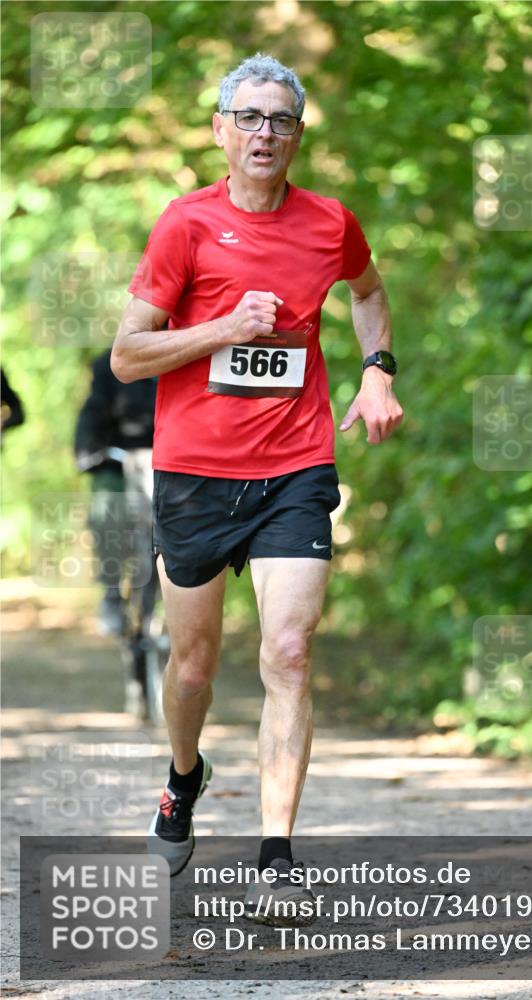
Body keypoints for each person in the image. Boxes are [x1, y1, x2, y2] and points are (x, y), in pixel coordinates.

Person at [111, 53, 403, 923]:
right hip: (196, 472)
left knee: (288, 653)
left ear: (298, 133)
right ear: (220, 131)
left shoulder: (329, 222)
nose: (264, 133)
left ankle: (276, 853)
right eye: (249, 117)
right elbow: (128, 356)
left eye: (280, 119)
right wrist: (219, 330)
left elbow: (369, 292)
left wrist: (377, 372)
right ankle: (182, 776)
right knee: (195, 665)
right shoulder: (184, 226)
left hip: (296, 464)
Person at [74, 349, 156, 638]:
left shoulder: (189, 354)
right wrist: (87, 450)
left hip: (170, 460)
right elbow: (93, 410)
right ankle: (111, 590)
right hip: (117, 459)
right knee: (107, 507)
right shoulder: (110, 363)